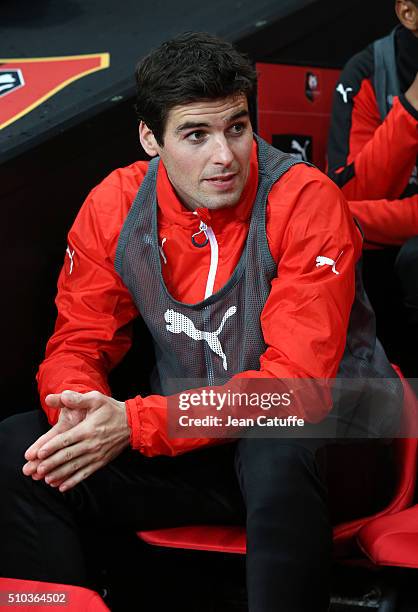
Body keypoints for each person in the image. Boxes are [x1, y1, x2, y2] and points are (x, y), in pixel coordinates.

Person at [0, 32, 401, 612]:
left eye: (237, 127)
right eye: (196, 134)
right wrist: (81, 413)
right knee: (21, 448)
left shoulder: (303, 199)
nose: (226, 155)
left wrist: (135, 422)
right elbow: (78, 340)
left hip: (345, 438)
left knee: (275, 444)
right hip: (203, 438)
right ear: (149, 138)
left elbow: (296, 395)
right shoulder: (115, 206)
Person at [327, 0, 418, 379]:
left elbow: (348, 211)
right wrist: (413, 106)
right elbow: (351, 201)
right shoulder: (368, 72)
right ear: (408, 13)